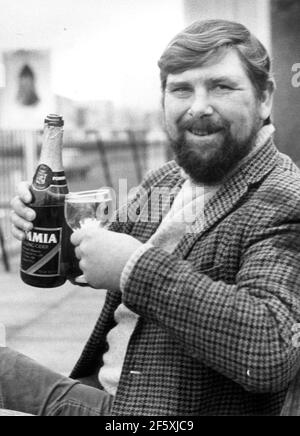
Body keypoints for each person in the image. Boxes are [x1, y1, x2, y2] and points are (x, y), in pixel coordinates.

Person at [7, 19, 300, 416]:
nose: (198, 107)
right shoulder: (167, 179)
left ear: (264, 97)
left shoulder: (287, 198)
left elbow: (271, 349)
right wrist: (44, 225)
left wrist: (133, 267)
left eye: (221, 86)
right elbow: (92, 254)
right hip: (109, 389)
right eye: (181, 89)